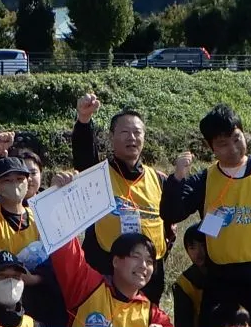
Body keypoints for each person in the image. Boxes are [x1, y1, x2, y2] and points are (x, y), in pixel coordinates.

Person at [165, 105, 251, 327]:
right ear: (211, 148)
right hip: (223, 283)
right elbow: (171, 213)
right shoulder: (205, 180)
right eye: (222, 144)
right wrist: (177, 178)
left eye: (236, 138)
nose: (233, 148)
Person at [70, 93, 175, 303]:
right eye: (124, 132)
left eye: (137, 132)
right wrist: (84, 120)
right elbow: (83, 156)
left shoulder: (160, 180)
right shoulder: (99, 175)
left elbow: (170, 223)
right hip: (105, 269)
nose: (132, 138)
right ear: (111, 136)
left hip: (148, 276)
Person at [0, 140, 64, 327]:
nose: (15, 184)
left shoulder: (39, 216)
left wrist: (35, 279)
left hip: (32, 302)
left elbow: (58, 263)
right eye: (7, 180)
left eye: (20, 179)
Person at [46, 231, 175, 327]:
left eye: (149, 261)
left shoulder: (153, 314)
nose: (143, 266)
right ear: (116, 261)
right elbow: (64, 244)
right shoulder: (88, 287)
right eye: (136, 257)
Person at [169, 226, 210, 327]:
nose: (199, 253)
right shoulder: (183, 283)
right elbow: (183, 325)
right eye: (192, 248)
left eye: (203, 245)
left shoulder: (225, 274)